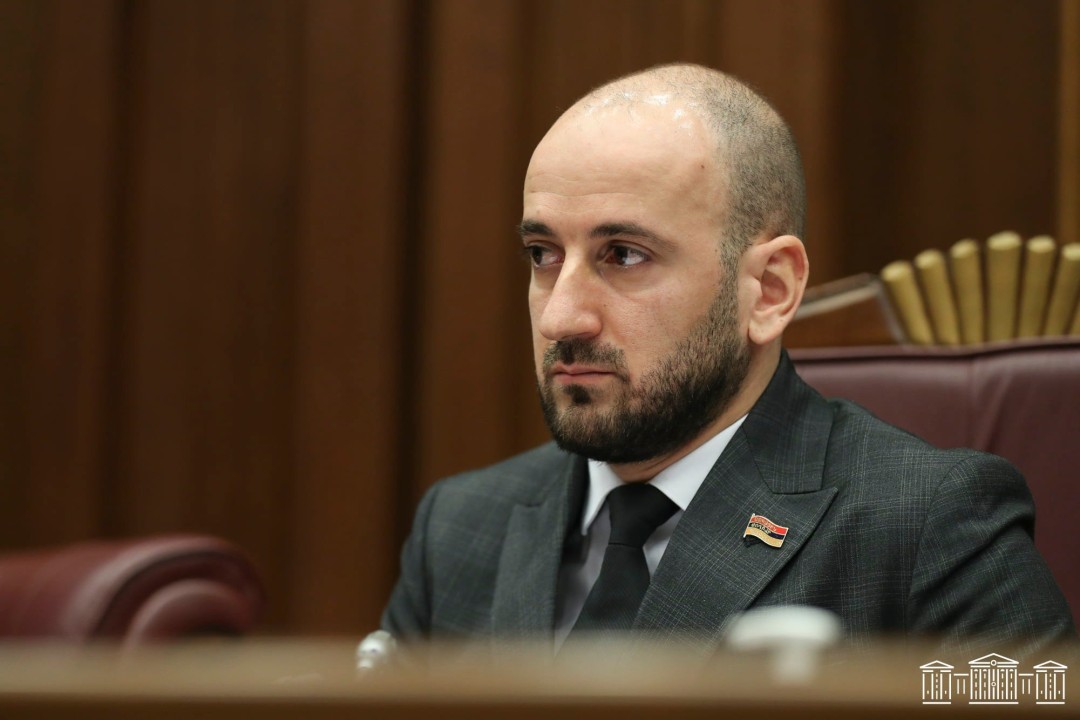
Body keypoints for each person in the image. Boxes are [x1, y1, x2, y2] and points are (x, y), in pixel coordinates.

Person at [380, 63, 1074, 656]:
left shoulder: (928, 529)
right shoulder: (461, 525)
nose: (561, 317)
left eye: (624, 255)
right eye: (543, 255)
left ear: (769, 290)